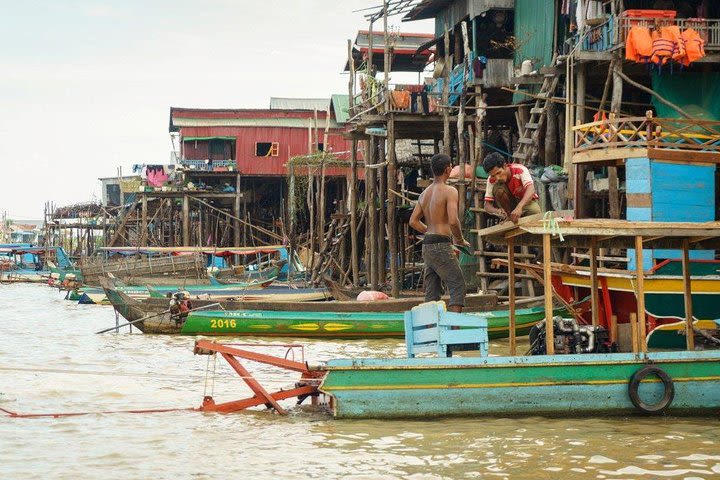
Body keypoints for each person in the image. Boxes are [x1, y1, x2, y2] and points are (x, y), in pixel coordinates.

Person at [409, 153, 469, 313]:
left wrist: (430, 231)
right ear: (448, 169)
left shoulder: (424, 193)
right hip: (441, 244)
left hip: (427, 245)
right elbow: (453, 221)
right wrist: (460, 240)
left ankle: (430, 329)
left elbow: (413, 221)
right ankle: (453, 328)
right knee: (457, 285)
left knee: (432, 291)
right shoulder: (450, 191)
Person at [482, 153, 541, 223]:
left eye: (498, 173)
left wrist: (519, 207)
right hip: (509, 208)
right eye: (493, 175)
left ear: (504, 166)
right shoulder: (491, 179)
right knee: (499, 190)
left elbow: (531, 189)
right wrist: (497, 211)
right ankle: (509, 216)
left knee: (536, 211)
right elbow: (487, 205)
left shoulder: (520, 169)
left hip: (525, 203)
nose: (497, 178)